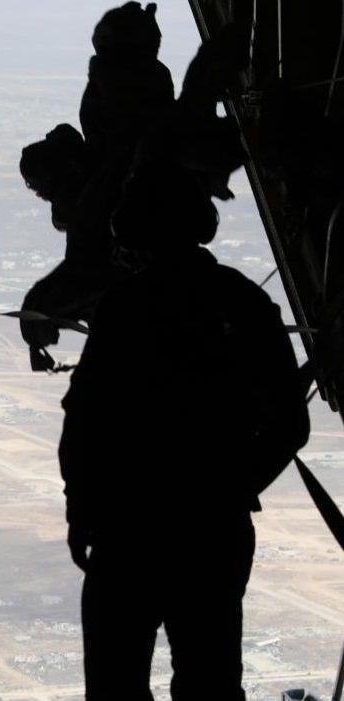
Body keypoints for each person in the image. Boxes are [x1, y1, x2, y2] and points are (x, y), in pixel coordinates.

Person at [58, 158, 310, 699]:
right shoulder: (246, 303)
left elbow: (84, 423)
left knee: (115, 687)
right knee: (210, 686)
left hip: (128, 534)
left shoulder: (125, 308)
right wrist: (229, 490)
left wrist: (81, 511)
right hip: (211, 535)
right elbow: (291, 425)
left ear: (134, 228)